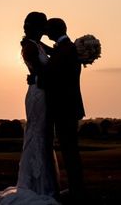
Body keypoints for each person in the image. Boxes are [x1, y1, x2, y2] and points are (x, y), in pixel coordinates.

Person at [0, 12, 60, 205]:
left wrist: (73, 50)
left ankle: (43, 182)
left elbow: (55, 54)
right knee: (37, 134)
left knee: (43, 135)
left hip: (42, 91)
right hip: (38, 93)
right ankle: (36, 184)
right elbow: (43, 71)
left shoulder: (36, 44)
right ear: (38, 27)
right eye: (44, 26)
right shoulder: (29, 46)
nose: (46, 29)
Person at [43, 17, 85, 201]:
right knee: (70, 150)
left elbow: (54, 73)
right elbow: (56, 56)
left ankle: (77, 191)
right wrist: (41, 46)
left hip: (64, 107)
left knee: (70, 151)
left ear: (54, 30)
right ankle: (76, 188)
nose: (45, 32)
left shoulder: (66, 50)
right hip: (69, 106)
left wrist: (36, 80)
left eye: (47, 29)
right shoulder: (66, 47)